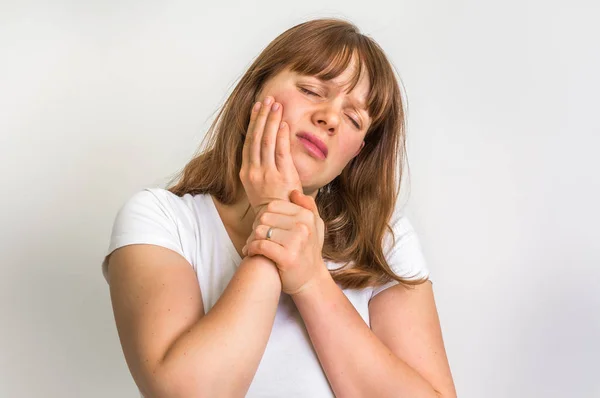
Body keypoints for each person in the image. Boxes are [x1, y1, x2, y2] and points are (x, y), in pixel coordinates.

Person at [102, 17, 457, 398]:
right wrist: (275, 215)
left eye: (354, 118)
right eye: (310, 89)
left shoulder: (384, 243)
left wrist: (310, 280)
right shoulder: (160, 220)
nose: (331, 117)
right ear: (256, 90)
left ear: (357, 152)